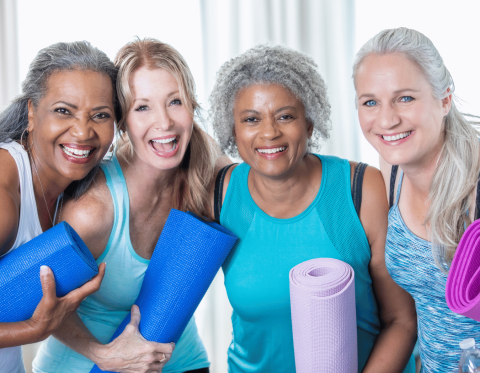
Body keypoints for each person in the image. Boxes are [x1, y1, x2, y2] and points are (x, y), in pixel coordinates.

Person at [209, 44, 417, 373]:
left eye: (285, 116)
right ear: (233, 131)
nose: (269, 132)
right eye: (251, 119)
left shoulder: (361, 188)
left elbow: (401, 320)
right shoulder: (218, 195)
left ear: (308, 123)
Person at [33, 38, 221, 373]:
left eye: (175, 101)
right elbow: (40, 301)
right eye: (143, 107)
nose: (164, 123)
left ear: (192, 106)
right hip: (87, 364)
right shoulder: (94, 209)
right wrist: (104, 355)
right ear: (122, 121)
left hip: (180, 361)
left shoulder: (206, 172)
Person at [352, 27, 480, 372]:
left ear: (445, 99)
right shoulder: (392, 170)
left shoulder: (476, 187)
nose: (387, 119)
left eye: (405, 98)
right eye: (370, 102)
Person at [0, 40, 121, 373]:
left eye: (100, 115)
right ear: (31, 113)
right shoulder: (4, 192)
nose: (83, 132)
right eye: (64, 111)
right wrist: (34, 328)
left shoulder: (74, 189)